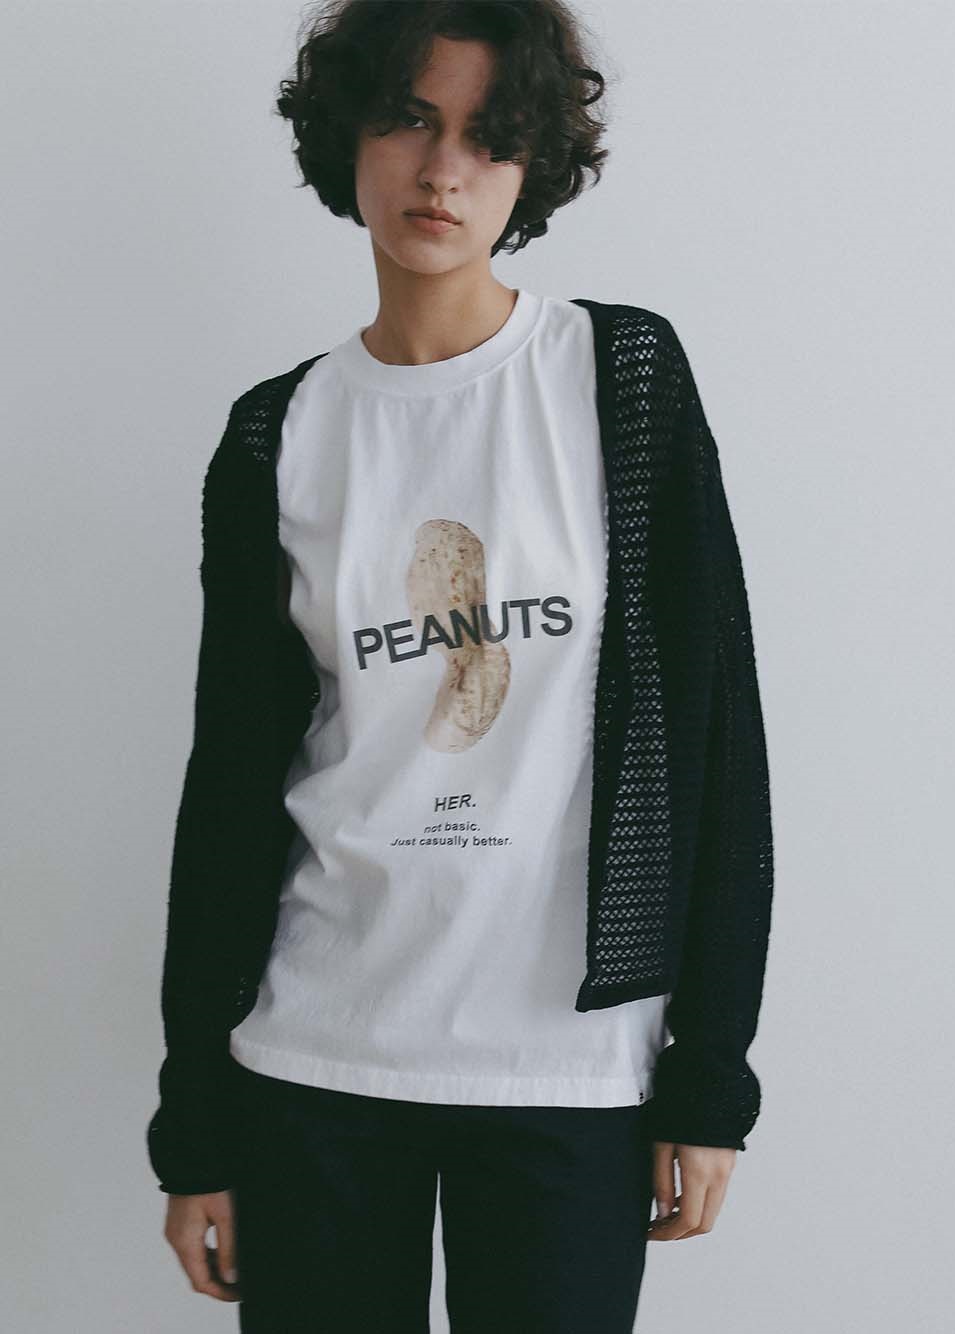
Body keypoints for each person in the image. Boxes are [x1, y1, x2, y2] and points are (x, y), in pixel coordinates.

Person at [148, 2, 774, 1330]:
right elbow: (232, 791)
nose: (442, 171)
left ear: (534, 165)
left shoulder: (619, 378)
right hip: (316, 1057)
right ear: (349, 136)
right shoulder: (278, 436)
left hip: (567, 1073)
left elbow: (720, 735)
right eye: (408, 120)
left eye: (491, 138)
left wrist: (712, 1069)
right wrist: (195, 1118)